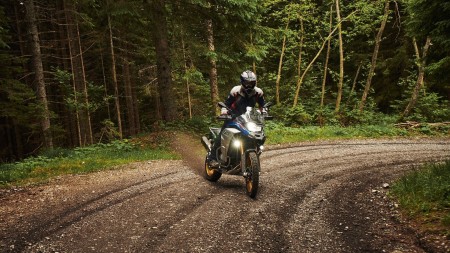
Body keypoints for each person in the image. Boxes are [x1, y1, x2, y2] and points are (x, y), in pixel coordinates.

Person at [207, 70, 266, 168]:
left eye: (251, 83)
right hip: (233, 117)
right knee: (222, 134)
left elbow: (262, 105)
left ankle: (249, 155)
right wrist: (224, 111)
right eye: (247, 83)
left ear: (255, 82)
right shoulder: (235, 91)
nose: (249, 86)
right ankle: (212, 159)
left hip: (249, 118)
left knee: (258, 134)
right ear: (242, 82)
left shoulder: (258, 92)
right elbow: (227, 104)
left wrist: (264, 111)